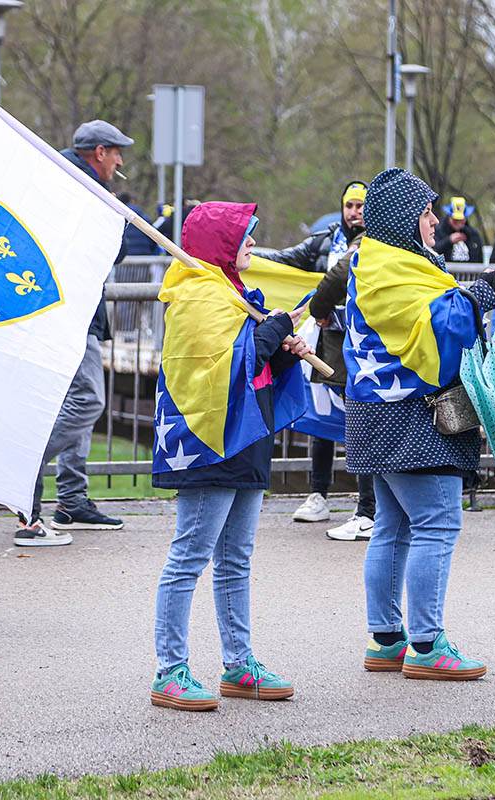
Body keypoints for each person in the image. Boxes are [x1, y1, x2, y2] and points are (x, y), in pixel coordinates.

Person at [344, 168, 495, 680]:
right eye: (426, 212)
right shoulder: (394, 269)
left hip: (376, 412)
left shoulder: (375, 263)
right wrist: (486, 292)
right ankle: (427, 644)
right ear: (402, 220)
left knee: (392, 527)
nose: (434, 221)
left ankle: (386, 639)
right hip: (410, 415)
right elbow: (444, 326)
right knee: (437, 523)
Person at [150, 201, 311, 711]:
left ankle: (239, 664)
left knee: (236, 560)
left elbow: (249, 360)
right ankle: (170, 670)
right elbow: (211, 371)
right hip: (208, 443)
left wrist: (282, 348)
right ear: (219, 244)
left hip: (246, 437)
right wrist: (268, 333)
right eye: (244, 238)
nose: (253, 246)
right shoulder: (198, 296)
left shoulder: (236, 294)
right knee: (189, 557)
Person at [13, 120, 133, 546]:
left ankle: (70, 500)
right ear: (99, 152)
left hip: (77, 311)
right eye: (117, 152)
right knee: (87, 400)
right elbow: (101, 253)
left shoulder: (69, 183)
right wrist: (116, 220)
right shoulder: (77, 188)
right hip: (69, 313)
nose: (121, 160)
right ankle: (23, 470)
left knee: (69, 403)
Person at [262, 180, 368, 524]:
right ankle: (318, 494)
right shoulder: (325, 240)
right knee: (321, 421)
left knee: (360, 422)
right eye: (350, 205)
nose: (355, 212)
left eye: (362, 205)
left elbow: (339, 281)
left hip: (358, 346)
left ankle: (366, 505)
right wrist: (244, 257)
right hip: (325, 344)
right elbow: (284, 260)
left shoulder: (374, 244)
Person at [305, 223, 377, 540]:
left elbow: (338, 275)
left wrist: (318, 308)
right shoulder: (414, 247)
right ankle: (378, 510)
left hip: (365, 356)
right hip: (386, 355)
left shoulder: (369, 244)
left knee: (363, 431)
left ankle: (368, 512)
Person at [263, 180, 367, 275]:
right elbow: (281, 258)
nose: (353, 213)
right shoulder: (320, 242)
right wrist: (249, 254)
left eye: (359, 206)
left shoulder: (379, 243)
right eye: (348, 206)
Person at [433, 196, 484, 263]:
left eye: (461, 220)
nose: (459, 223)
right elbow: (433, 251)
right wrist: (449, 241)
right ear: (449, 217)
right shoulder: (438, 231)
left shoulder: (473, 234)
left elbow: (479, 259)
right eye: (455, 220)